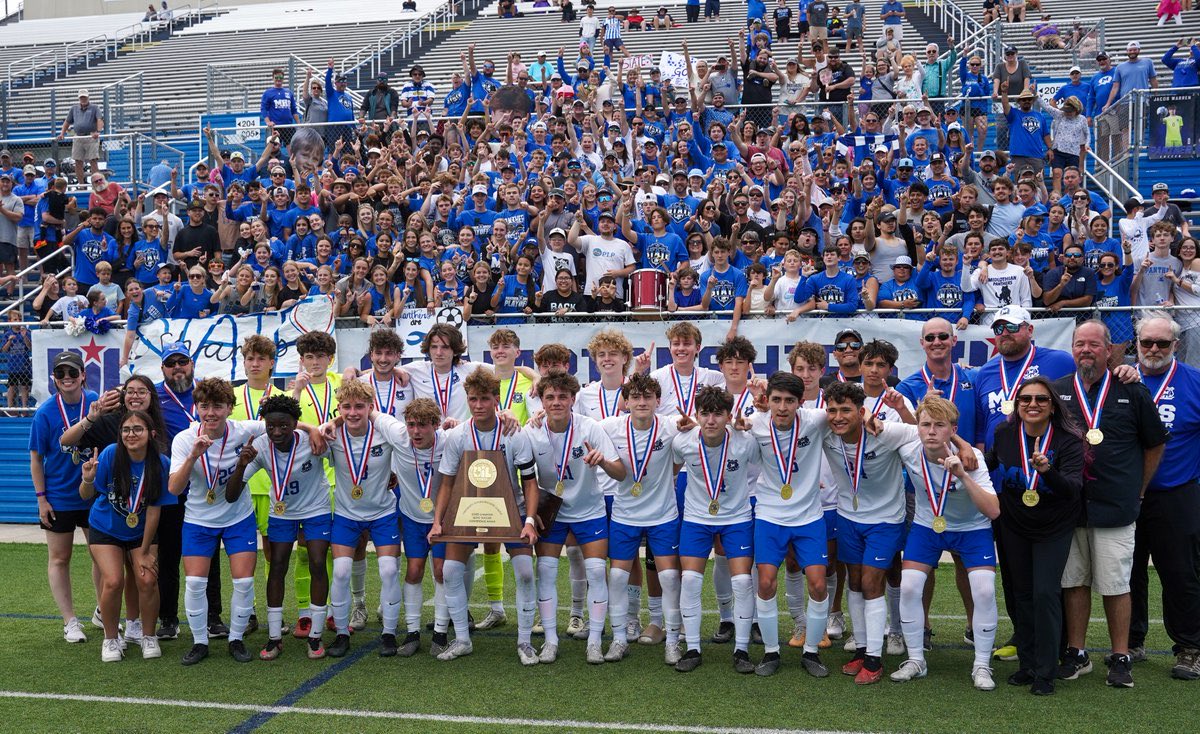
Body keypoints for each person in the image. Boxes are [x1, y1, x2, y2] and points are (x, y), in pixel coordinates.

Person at [1052, 321, 1167, 689]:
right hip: (1069, 506)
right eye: (1079, 344)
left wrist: (1139, 488)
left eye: (1093, 345)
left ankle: (1121, 656)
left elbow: (1154, 443)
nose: (1086, 350)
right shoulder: (1056, 392)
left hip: (1115, 505)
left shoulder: (1131, 389)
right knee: (1073, 582)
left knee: (1116, 584)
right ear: (1072, 349)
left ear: (1108, 350)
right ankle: (1077, 652)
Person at [878, 397, 1000, 690]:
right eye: (926, 425)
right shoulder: (908, 448)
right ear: (917, 428)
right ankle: (916, 660)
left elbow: (993, 511)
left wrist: (962, 475)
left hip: (972, 528)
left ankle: (982, 664)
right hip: (927, 525)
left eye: (940, 425)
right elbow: (875, 427)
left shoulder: (973, 459)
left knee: (983, 591)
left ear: (953, 430)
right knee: (908, 586)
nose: (931, 431)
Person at [985, 376, 1084, 695]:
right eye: (1025, 399)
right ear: (1017, 405)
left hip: (1053, 526)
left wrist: (1047, 472)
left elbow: (1072, 490)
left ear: (1053, 405)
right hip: (1014, 523)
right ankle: (1027, 665)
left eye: (1041, 399)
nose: (1032, 405)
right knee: (1021, 594)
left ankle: (1046, 670)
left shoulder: (1068, 439)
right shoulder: (1004, 434)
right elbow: (986, 468)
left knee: (1044, 593)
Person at [434, 369, 540, 663]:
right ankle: (462, 639)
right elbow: (446, 481)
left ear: (496, 399)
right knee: (451, 571)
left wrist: (529, 520)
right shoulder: (458, 435)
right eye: (473, 399)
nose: (478, 404)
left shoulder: (512, 432)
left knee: (525, 573)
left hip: (511, 513)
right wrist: (438, 521)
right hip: (468, 511)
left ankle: (524, 642)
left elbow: (530, 482)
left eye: (484, 398)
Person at [167, 378, 269, 665]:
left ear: (229, 408)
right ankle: (200, 642)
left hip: (238, 518)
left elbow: (283, 422)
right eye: (204, 406)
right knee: (196, 583)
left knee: (244, 581)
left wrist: (319, 430)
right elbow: (174, 489)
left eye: (218, 406)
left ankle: (236, 639)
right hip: (199, 519)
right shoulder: (185, 439)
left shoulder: (243, 430)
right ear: (196, 407)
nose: (210, 412)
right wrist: (192, 457)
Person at [749, 372, 836, 677]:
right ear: (767, 400)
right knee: (765, 582)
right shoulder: (755, 423)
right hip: (770, 515)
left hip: (809, 517)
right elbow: (725, 429)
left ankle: (811, 653)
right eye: (776, 400)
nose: (782, 407)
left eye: (789, 401)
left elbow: (847, 413)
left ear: (800, 402)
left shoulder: (815, 420)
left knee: (818, 583)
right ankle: (771, 653)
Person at [1130, 313, 1200, 679]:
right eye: (1147, 343)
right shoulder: (1121, 380)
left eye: (1162, 343)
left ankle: (1190, 647)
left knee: (1180, 573)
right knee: (1128, 570)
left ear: (1176, 345)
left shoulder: (1195, 382)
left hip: (1177, 493)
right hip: (1127, 495)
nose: (1153, 349)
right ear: (1136, 344)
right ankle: (1131, 640)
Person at [670, 385, 758, 672]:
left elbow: (767, 464)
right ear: (696, 415)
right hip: (697, 518)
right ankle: (693, 648)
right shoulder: (682, 442)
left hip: (737, 518)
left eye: (718, 414)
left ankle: (741, 650)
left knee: (743, 583)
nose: (710, 421)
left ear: (729, 416)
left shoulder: (745, 441)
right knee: (691, 581)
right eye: (705, 414)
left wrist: (751, 424)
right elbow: (667, 470)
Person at [80, 410, 174, 662]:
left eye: (138, 429)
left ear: (151, 434)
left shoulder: (161, 463)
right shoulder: (111, 454)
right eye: (126, 430)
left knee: (147, 580)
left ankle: (148, 636)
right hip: (106, 527)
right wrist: (87, 479)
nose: (131, 434)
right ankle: (110, 639)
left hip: (141, 532)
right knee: (112, 581)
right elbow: (85, 495)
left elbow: (154, 511)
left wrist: (143, 552)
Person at [30, 351, 101, 644]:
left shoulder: (95, 401)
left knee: (101, 555)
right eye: (61, 374)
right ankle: (70, 621)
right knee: (60, 558)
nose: (67, 379)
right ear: (54, 379)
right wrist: (41, 499)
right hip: (59, 497)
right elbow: (36, 459)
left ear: (83, 375)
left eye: (73, 373)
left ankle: (102, 610)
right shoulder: (45, 412)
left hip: (93, 494)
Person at [59, 89, 104, 184]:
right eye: (81, 97)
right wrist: (62, 133)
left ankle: (96, 184)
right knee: (78, 161)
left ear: (88, 97)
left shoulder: (94, 108)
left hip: (91, 137)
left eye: (85, 97)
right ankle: (81, 185)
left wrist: (98, 131)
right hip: (78, 137)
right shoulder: (74, 108)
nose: (83, 99)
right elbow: (67, 121)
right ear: (79, 98)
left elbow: (99, 120)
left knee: (93, 160)